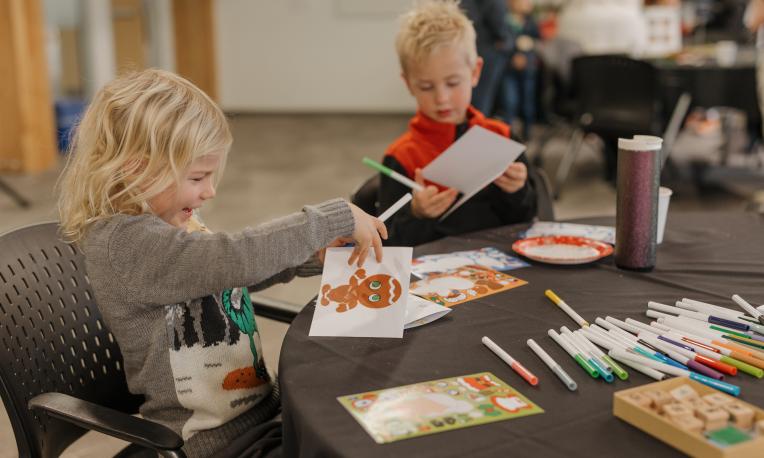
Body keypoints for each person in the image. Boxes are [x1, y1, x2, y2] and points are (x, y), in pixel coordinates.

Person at [57, 69, 386, 458]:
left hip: (260, 417)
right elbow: (231, 258)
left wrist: (310, 257)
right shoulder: (125, 244)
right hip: (211, 443)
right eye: (198, 177)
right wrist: (327, 220)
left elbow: (223, 279)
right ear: (136, 167)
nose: (210, 191)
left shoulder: (167, 223)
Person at [378, 0, 537, 247]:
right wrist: (417, 215)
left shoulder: (502, 138)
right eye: (426, 86)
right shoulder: (402, 156)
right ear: (409, 84)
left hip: (501, 268)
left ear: (475, 72)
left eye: (452, 83)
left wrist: (517, 190)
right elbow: (387, 243)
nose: (441, 98)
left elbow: (526, 220)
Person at [461, 0, 512, 116]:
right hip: (488, 53)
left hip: (470, 49)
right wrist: (507, 42)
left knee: (472, 99)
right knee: (482, 101)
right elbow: (500, 27)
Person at [500, 0, 541, 141]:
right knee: (509, 102)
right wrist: (513, 56)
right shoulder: (504, 18)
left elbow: (538, 40)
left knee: (527, 103)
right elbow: (501, 41)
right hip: (509, 67)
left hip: (528, 68)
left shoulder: (530, 21)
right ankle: (506, 135)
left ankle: (527, 134)